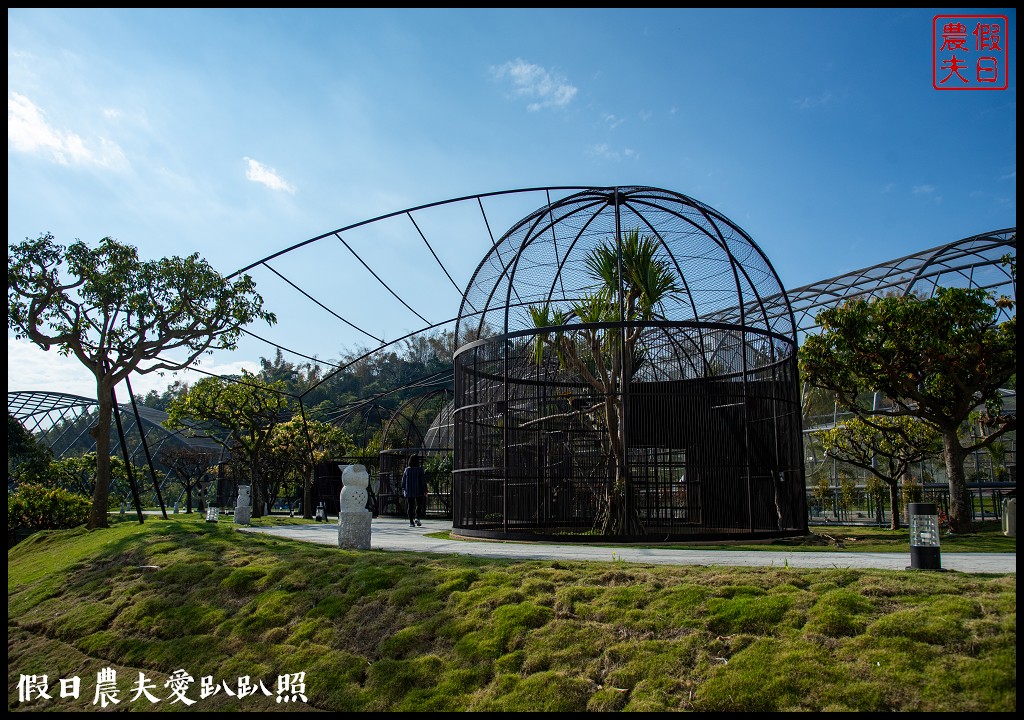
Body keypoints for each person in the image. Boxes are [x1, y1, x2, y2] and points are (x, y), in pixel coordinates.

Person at [401, 455, 428, 527]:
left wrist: (403, 488)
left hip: (409, 491)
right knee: (419, 505)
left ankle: (411, 522)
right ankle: (417, 518)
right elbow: (423, 481)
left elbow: (403, 481)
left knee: (410, 506)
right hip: (419, 490)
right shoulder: (419, 470)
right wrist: (425, 490)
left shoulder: (407, 470)